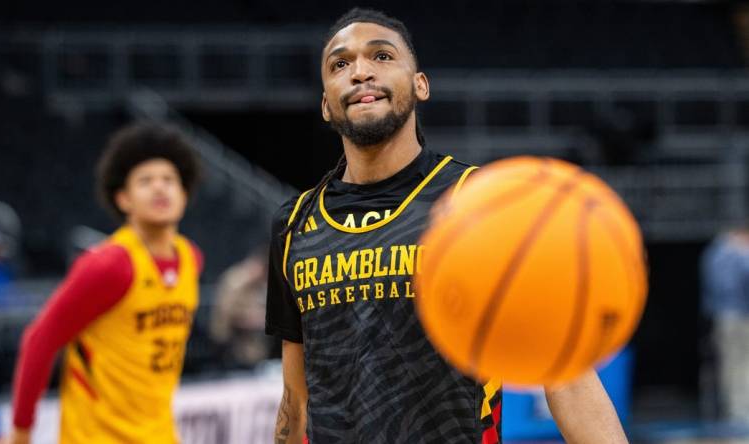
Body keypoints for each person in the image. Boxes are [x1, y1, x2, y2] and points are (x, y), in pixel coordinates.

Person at [265, 8, 628, 444]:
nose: (359, 72)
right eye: (340, 64)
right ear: (326, 103)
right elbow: (295, 399)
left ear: (420, 84)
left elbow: (564, 374)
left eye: (381, 56)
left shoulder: (480, 202)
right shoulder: (296, 223)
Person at [1, 123, 203, 444]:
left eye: (168, 180)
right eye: (145, 181)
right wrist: (21, 432)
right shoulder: (110, 265)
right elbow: (39, 340)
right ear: (123, 198)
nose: (159, 188)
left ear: (184, 193)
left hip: (159, 434)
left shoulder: (190, 258)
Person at [701, 228, 749, 423]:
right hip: (740, 316)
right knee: (741, 365)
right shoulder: (739, 255)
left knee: (730, 365)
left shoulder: (713, 252)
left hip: (721, 317)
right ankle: (741, 414)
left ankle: (735, 412)